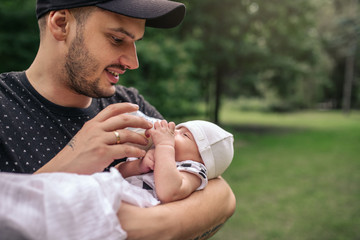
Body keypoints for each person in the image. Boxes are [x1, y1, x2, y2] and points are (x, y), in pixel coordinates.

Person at [0, 0, 236, 239]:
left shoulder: (130, 104)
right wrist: (68, 163)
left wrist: (152, 226)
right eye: (117, 39)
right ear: (61, 24)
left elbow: (220, 192)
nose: (133, 63)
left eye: (135, 43)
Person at [118, 119, 234, 204]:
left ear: (203, 159)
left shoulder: (193, 169)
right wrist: (139, 166)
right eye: (177, 129)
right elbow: (116, 173)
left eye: (184, 135)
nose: (173, 132)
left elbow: (168, 193)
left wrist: (165, 145)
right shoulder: (155, 152)